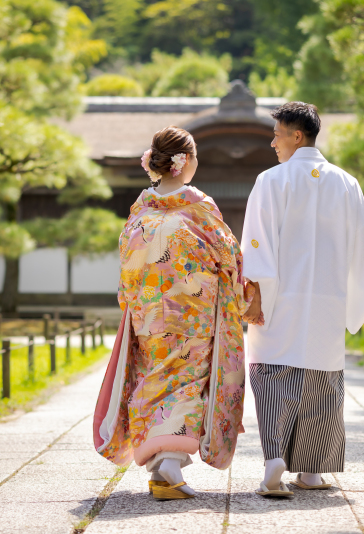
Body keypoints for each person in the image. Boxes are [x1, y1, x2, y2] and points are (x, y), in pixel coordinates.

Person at [93, 126, 261, 500]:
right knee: (185, 382)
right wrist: (246, 296)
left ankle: (159, 469)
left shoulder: (140, 211)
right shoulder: (198, 207)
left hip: (148, 315)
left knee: (153, 380)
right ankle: (170, 461)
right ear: (184, 162)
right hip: (192, 316)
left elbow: (127, 262)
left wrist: (134, 301)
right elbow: (229, 255)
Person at [241, 102, 364, 497]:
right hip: (328, 301)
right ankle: (313, 471)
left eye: (277, 135)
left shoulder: (271, 180)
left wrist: (256, 295)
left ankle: (274, 460)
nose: (273, 143)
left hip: (281, 297)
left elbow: (257, 242)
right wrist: (357, 300)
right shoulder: (347, 183)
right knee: (323, 382)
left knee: (273, 376)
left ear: (296, 136)